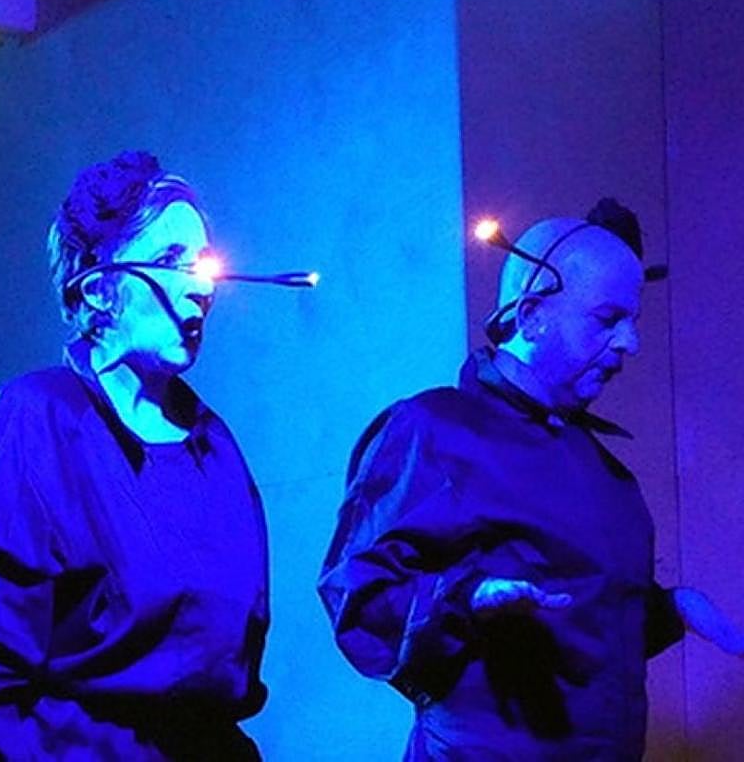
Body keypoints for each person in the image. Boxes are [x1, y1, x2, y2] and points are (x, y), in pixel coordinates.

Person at [318, 201, 744, 759]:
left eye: (633, 321)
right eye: (608, 318)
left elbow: (580, 629)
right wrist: (467, 599)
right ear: (533, 315)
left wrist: (670, 609)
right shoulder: (436, 430)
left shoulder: (604, 471)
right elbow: (358, 595)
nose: (630, 343)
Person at [0, 151, 269, 760]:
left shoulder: (215, 450)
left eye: (202, 263)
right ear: (99, 291)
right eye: (171, 260)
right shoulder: (34, 422)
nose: (201, 287)